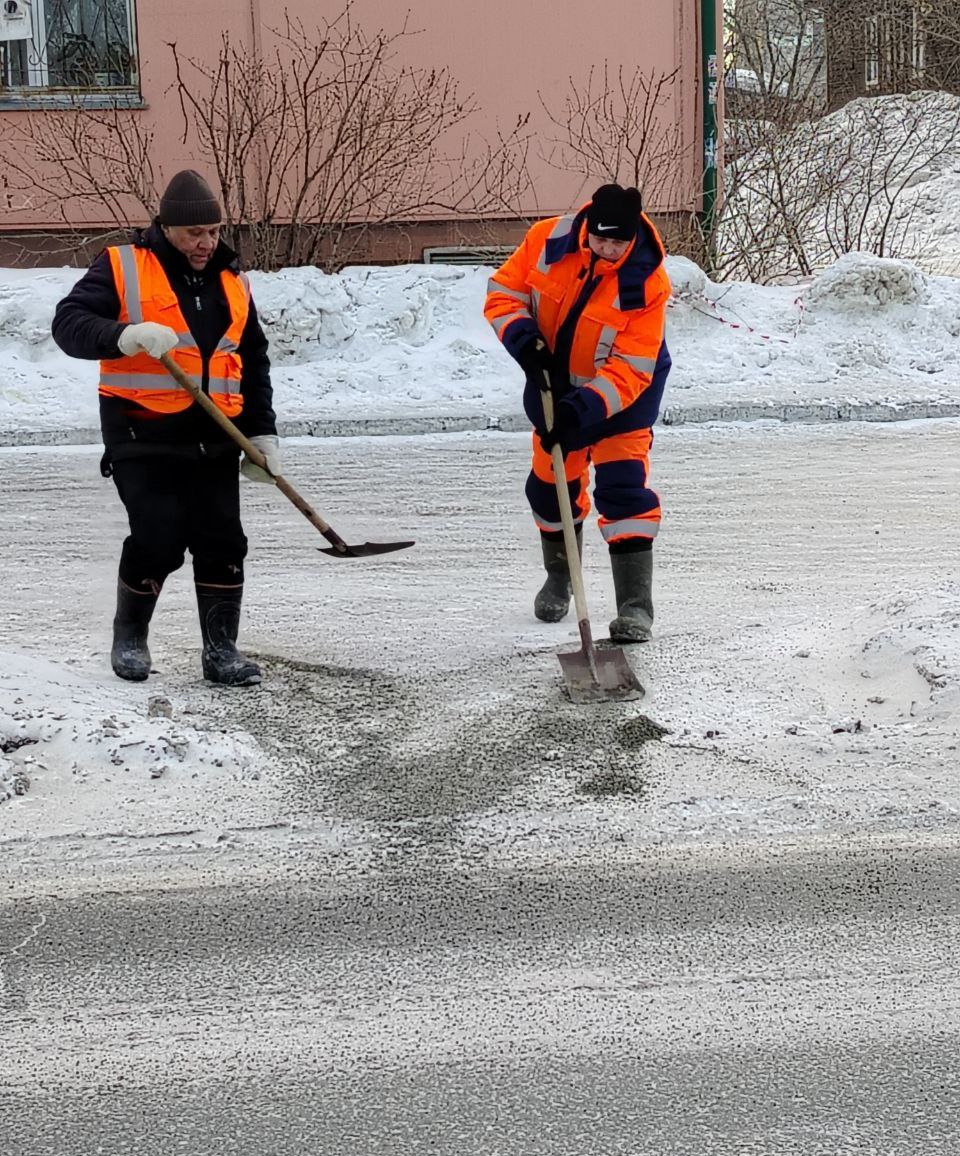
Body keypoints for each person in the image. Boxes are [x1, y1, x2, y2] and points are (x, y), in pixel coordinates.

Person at [52, 169, 281, 687]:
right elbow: (68, 324)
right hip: (142, 430)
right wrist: (123, 335)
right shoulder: (124, 266)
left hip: (216, 433)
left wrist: (261, 432)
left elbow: (252, 359)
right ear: (167, 228)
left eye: (214, 232)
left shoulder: (233, 280)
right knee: (158, 535)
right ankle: (130, 637)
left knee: (223, 540)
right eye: (194, 233)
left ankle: (221, 651)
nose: (206, 243)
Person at [484, 183, 672, 643]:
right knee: (550, 490)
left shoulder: (646, 282)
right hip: (553, 387)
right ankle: (560, 577)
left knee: (623, 491)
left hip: (621, 401)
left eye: (618, 244)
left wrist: (581, 411)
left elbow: (631, 367)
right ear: (588, 227)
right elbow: (504, 293)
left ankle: (635, 607)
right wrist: (525, 341)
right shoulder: (549, 241)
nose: (608, 251)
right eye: (601, 240)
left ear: (632, 237)